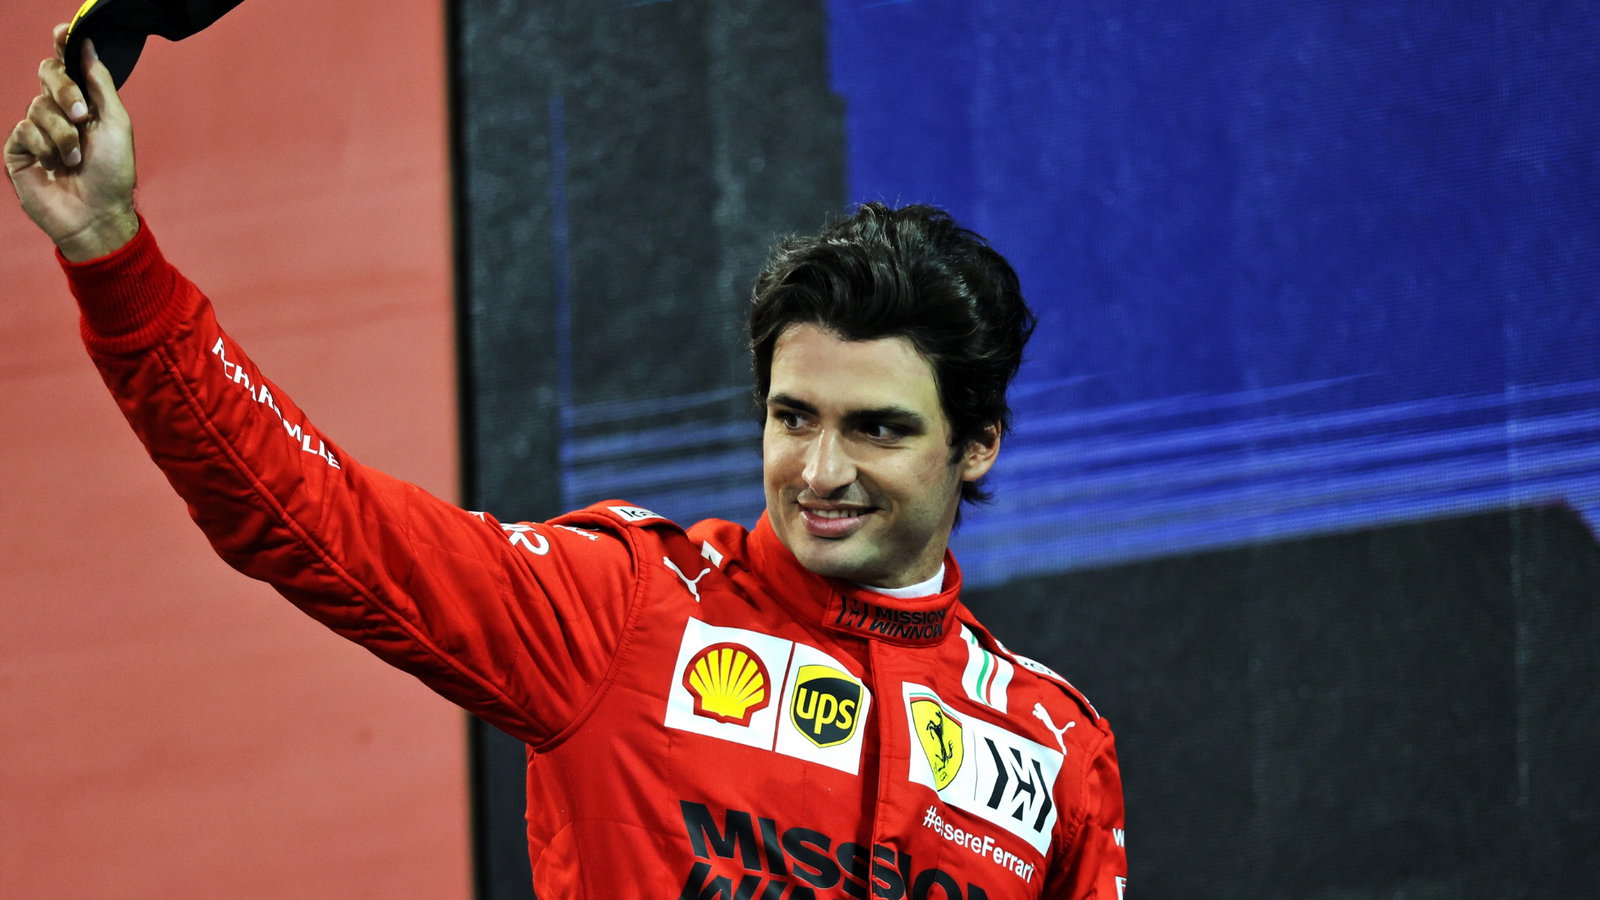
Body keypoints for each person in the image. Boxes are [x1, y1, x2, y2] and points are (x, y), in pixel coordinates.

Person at [8, 28, 1127, 900]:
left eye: (877, 429)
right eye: (793, 417)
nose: (818, 471)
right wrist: (114, 258)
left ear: (975, 443)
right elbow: (308, 516)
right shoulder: (624, 611)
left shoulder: (1052, 749)